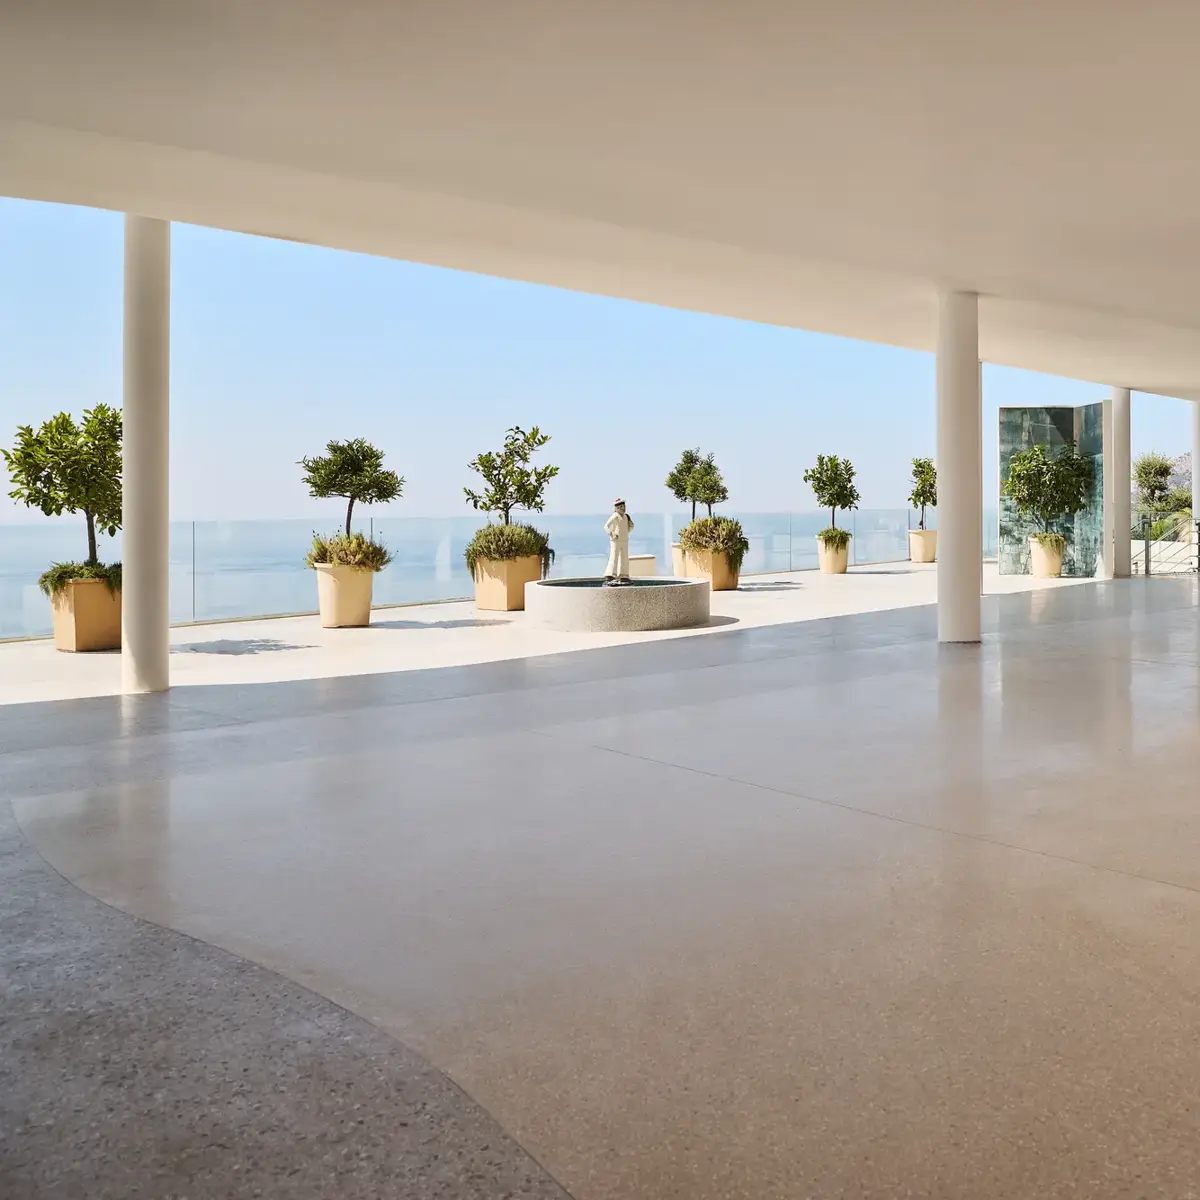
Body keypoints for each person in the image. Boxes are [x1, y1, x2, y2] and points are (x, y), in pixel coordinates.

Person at [604, 499, 634, 581]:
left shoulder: (626, 516)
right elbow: (606, 526)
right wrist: (612, 533)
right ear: (616, 508)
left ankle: (624, 574)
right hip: (616, 540)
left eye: (624, 506)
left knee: (624, 557)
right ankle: (610, 573)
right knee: (614, 556)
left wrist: (630, 526)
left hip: (624, 539)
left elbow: (629, 528)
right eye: (621, 507)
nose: (623, 508)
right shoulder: (615, 516)